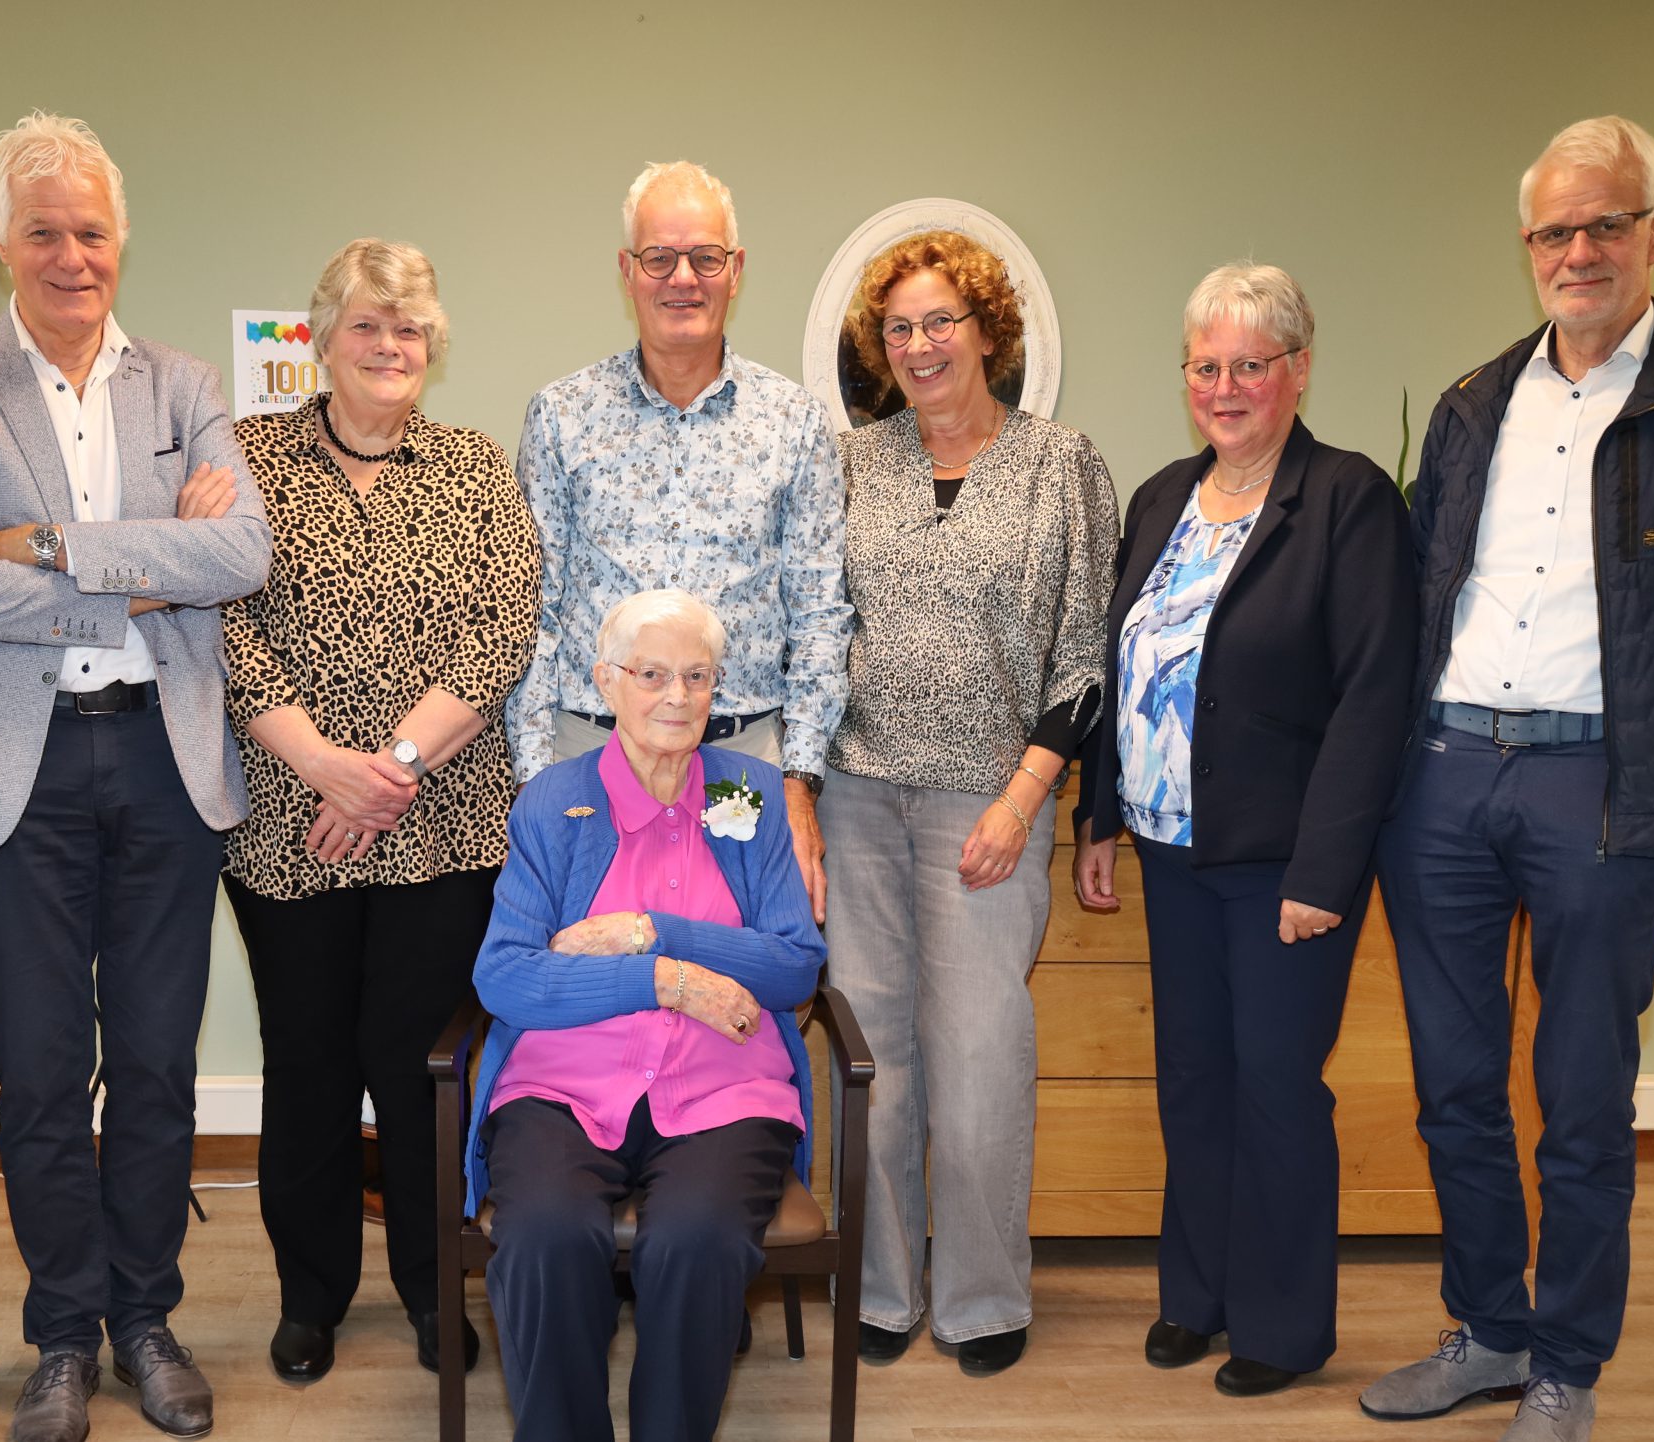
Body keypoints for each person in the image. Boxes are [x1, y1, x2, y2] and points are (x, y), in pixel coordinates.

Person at [1360, 117, 1654, 1442]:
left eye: (1605, 224)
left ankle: (1565, 1363)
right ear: (1528, 245)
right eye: (1554, 231)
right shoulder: (1473, 402)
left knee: (1579, 1098)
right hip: (1443, 779)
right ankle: (1488, 1331)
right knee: (1454, 1086)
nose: (1579, 251)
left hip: (1604, 793)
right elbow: (1422, 592)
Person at [0, 112, 271, 1442]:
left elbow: (242, 558)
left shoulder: (184, 384)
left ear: (121, 238)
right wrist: (145, 567)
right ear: (5, 241)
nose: (70, 256)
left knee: (157, 1062)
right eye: (43, 231)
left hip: (168, 760)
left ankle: (147, 1316)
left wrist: (42, 544)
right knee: (42, 1073)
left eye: (91, 231)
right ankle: (63, 1333)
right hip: (19, 766)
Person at [1073, 263, 1418, 1397]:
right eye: (1205, 367)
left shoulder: (1348, 499)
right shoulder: (1163, 496)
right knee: (1193, 1078)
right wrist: (1101, 812)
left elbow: (1374, 694)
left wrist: (1326, 868)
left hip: (1285, 863)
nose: (1224, 388)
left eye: (1249, 366)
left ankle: (1281, 1323)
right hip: (1172, 850)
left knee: (1275, 1084)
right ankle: (1198, 1293)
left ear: (1298, 370)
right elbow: (1123, 665)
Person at [217, 238, 539, 1384]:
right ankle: (311, 1295)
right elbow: (222, 621)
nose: (389, 345)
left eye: (409, 327)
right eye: (366, 323)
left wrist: (387, 769)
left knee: (419, 1070)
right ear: (322, 338)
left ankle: (431, 1286)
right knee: (305, 1063)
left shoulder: (474, 465)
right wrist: (324, 766)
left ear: (431, 344)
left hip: (444, 825)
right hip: (284, 826)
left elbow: (503, 628)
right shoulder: (245, 457)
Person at [820, 230, 1117, 1376]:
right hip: (855, 793)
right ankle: (881, 1287)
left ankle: (985, 1296)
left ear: (986, 330)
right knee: (873, 1055)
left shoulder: (1061, 464)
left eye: (940, 320)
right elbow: (816, 631)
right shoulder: (853, 463)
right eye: (898, 327)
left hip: (989, 802)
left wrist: (1024, 794)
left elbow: (1084, 651)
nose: (919, 344)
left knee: (981, 1054)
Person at [466, 590, 825, 1442]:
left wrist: (654, 934)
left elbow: (794, 965)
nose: (676, 695)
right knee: (545, 1236)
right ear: (607, 682)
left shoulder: (748, 793)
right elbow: (505, 976)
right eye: (652, 674)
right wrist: (662, 981)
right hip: (566, 1084)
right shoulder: (554, 803)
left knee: (697, 1239)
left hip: (724, 1088)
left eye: (697, 677)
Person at [507, 159, 851, 923]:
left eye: (705, 257)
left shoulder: (794, 423)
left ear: (737, 270)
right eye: (660, 258)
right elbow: (536, 607)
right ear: (628, 271)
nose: (683, 279)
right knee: (589, 973)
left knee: (739, 976)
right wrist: (535, 780)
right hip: (588, 757)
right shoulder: (562, 416)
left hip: (740, 763)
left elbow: (820, 615)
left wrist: (799, 782)